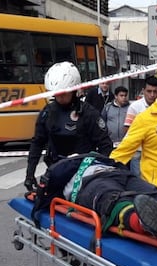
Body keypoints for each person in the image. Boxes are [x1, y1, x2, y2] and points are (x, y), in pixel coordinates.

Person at [33, 153, 157, 240]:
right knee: (111, 199)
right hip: (88, 183)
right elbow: (43, 197)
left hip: (118, 173)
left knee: (154, 194)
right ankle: (140, 222)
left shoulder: (92, 156)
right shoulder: (56, 170)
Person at [23, 61, 112, 193]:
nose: (59, 97)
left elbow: (106, 145)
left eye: (63, 93)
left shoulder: (89, 113)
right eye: (56, 93)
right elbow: (37, 143)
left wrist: (96, 169)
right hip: (56, 171)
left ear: (74, 89)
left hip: (83, 174)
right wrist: (30, 174)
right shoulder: (47, 113)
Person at [123, 75, 157, 176]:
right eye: (149, 91)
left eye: (155, 91)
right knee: (139, 183)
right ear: (143, 90)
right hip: (138, 153)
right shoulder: (135, 107)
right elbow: (127, 129)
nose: (152, 95)